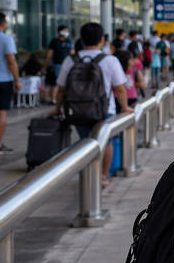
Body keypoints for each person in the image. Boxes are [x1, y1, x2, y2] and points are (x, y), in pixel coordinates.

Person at [51, 23, 132, 185]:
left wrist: (57, 108)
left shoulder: (70, 60)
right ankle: (102, 176)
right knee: (106, 142)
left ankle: (88, 176)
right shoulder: (110, 60)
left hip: (77, 110)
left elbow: (61, 89)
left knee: (85, 143)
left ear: (81, 39)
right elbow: (120, 89)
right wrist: (125, 107)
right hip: (104, 110)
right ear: (102, 40)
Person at [0, 12, 21, 155]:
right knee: (2, 113)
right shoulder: (7, 39)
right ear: (3, 24)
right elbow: (11, 61)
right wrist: (17, 80)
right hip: (3, 80)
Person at [44, 25, 74, 104]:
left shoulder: (68, 41)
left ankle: (64, 99)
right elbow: (49, 54)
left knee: (66, 82)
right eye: (65, 30)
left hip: (67, 65)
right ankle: (53, 99)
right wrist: (45, 65)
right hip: (57, 64)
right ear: (59, 31)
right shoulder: (54, 41)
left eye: (67, 31)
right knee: (56, 83)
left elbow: (72, 53)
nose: (66, 32)